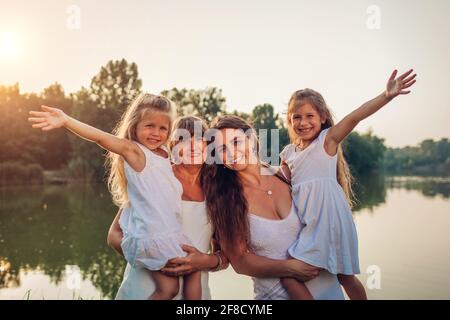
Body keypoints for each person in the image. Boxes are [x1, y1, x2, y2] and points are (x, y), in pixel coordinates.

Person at [28, 94, 201, 300]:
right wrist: (66, 121)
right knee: (172, 287)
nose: (156, 133)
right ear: (135, 126)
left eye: (163, 128)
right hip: (153, 238)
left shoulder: (163, 154)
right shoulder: (134, 152)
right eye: (149, 126)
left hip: (169, 233)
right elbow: (100, 137)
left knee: (189, 272)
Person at [165, 115, 344, 299]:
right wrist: (289, 268)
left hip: (329, 289)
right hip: (274, 295)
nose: (232, 152)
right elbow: (239, 261)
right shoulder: (225, 199)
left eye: (236, 142)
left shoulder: (287, 174)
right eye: (223, 149)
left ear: (250, 139)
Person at [279, 69, 417, 299]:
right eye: (296, 117)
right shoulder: (288, 153)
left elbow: (355, 117)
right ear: (289, 121)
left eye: (309, 116)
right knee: (290, 275)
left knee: (343, 277)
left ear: (322, 117)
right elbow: (277, 183)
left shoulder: (327, 141)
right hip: (308, 224)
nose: (303, 122)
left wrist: (386, 95)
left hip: (331, 223)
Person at [109, 115, 229, 300]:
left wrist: (203, 261)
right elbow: (114, 235)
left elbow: (226, 255)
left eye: (199, 139)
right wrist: (153, 260)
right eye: (183, 140)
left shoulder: (219, 190)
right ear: (173, 145)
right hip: (146, 287)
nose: (192, 146)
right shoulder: (155, 176)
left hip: (196, 291)